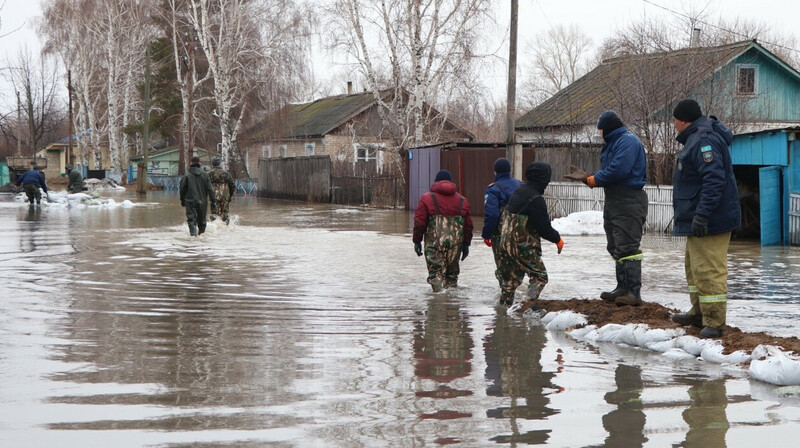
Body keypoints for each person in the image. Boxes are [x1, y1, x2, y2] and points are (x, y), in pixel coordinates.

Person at [669, 99, 740, 339]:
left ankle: (714, 321)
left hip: (711, 220)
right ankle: (699, 313)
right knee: (694, 268)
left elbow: (713, 180)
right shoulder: (695, 138)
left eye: (675, 120)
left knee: (709, 269)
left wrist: (702, 214)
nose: (674, 125)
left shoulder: (703, 141)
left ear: (683, 120)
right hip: (698, 219)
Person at [564, 110, 648, 306]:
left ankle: (633, 292)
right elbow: (611, 172)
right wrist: (588, 177)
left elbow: (619, 170)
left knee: (628, 247)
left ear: (607, 128)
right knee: (615, 245)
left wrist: (592, 179)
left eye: (600, 129)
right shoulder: (614, 143)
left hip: (629, 199)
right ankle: (622, 287)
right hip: (614, 199)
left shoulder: (628, 142)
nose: (599, 133)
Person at [500, 162, 564, 311]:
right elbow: (544, 228)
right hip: (522, 245)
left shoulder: (518, 192)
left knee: (509, 281)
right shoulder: (536, 199)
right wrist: (558, 239)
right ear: (544, 180)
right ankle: (527, 307)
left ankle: (502, 314)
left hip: (505, 244)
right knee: (540, 276)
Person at [412, 169, 473, 292]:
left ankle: (438, 305)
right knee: (452, 277)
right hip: (455, 245)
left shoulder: (426, 198)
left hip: (434, 244)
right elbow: (468, 226)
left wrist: (417, 241)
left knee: (436, 276)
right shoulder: (462, 200)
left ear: (436, 182)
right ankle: (452, 307)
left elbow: (419, 222)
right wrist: (466, 244)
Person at [481, 157, 521, 305]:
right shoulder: (521, 185)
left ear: (495, 171)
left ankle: (505, 302)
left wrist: (486, 235)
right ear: (509, 170)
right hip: (521, 235)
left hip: (502, 236)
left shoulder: (494, 189)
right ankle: (519, 297)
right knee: (518, 266)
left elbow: (492, 215)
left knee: (504, 268)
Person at [179, 156, 216, 237]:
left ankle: (193, 237)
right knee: (202, 221)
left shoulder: (187, 175)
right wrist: (213, 201)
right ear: (200, 163)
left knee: (191, 220)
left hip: (190, 201)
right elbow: (210, 189)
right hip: (203, 202)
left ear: (190, 163)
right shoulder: (205, 175)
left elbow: (182, 189)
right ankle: (201, 237)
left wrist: (182, 200)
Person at [208, 156, 236, 224]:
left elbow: (205, 185)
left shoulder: (209, 173)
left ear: (212, 163)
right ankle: (226, 229)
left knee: (214, 214)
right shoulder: (226, 173)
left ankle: (214, 229)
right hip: (225, 195)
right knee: (225, 214)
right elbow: (232, 185)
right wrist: (230, 195)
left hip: (214, 196)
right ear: (220, 163)